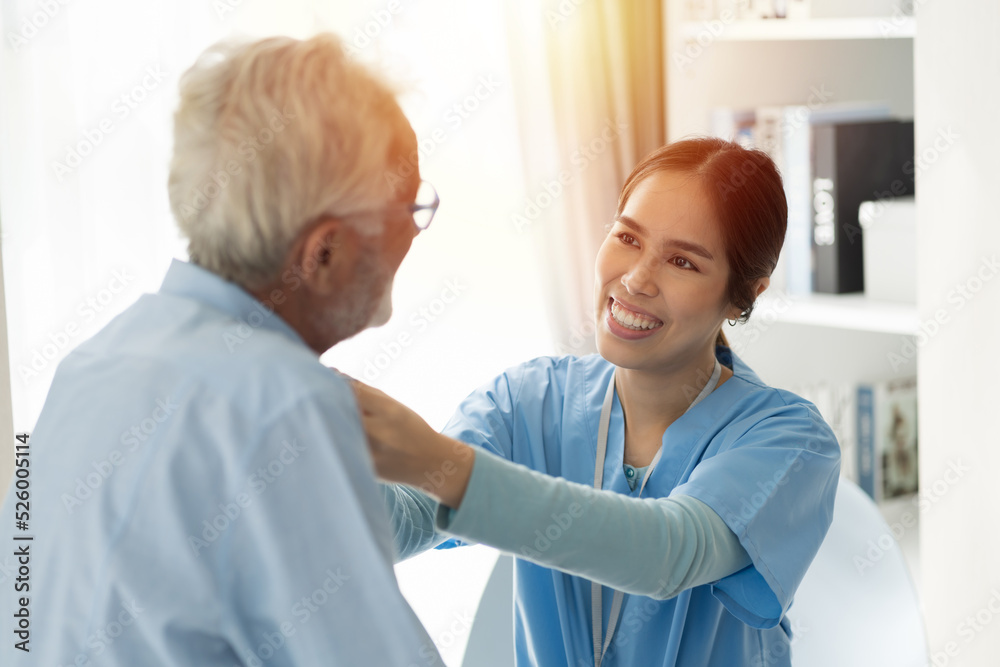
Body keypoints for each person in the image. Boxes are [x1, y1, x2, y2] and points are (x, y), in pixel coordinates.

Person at [0, 34, 445, 666]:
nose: (414, 230)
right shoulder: (280, 403)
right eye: (411, 205)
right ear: (324, 252)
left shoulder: (92, 364)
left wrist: (450, 476)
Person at [355, 137, 842, 667]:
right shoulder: (525, 402)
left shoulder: (790, 440)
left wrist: (436, 462)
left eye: (682, 260)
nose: (635, 279)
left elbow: (667, 553)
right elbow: (400, 526)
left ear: (743, 293)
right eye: (628, 237)